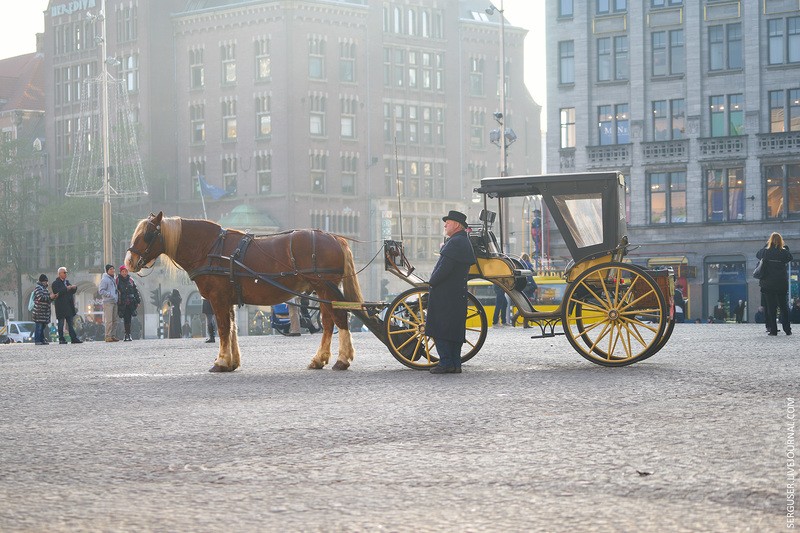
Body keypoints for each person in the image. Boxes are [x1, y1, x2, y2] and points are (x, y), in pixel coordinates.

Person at [425, 210, 476, 374]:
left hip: (445, 295)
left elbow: (443, 269)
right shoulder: (462, 241)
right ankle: (455, 363)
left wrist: (431, 282)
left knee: (441, 328)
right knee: (454, 329)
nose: (445, 225)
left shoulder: (454, 243)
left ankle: (446, 362)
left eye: (448, 222)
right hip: (456, 293)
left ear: (456, 225)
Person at [756, 232, 793, 336]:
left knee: (771, 308)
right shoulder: (784, 252)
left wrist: (767, 246)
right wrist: (784, 247)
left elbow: (757, 254)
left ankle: (773, 330)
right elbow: (790, 257)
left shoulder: (765, 252)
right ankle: (787, 329)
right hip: (781, 283)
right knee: (783, 307)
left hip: (767, 284)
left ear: (770, 240)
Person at [51, 266, 82, 344]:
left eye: (66, 273)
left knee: (70, 324)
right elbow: (57, 292)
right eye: (64, 272)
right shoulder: (55, 283)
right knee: (61, 324)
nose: (65, 274)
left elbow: (71, 291)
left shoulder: (67, 282)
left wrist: (74, 288)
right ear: (59, 274)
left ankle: (73, 338)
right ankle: (61, 339)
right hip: (61, 307)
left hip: (68, 307)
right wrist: (66, 288)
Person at [116, 265, 140, 341]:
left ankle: (128, 334)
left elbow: (135, 291)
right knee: (121, 318)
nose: (124, 273)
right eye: (123, 271)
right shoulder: (117, 280)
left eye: (126, 271)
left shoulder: (131, 280)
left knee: (128, 319)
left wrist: (138, 301)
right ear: (120, 272)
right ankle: (117, 334)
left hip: (130, 302)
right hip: (121, 302)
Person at [32, 274, 56, 345]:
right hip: (39, 312)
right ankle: (37, 340)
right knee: (38, 327)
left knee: (42, 328)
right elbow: (41, 298)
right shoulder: (38, 288)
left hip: (44, 313)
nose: (47, 283)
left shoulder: (45, 289)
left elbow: (47, 299)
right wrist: (50, 297)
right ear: (42, 281)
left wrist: (52, 297)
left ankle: (42, 340)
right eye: (46, 281)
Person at [98, 264, 120, 342]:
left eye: (113, 269)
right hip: (108, 302)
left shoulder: (113, 279)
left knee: (115, 320)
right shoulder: (104, 280)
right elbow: (101, 290)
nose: (113, 270)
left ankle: (113, 335)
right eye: (111, 269)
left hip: (114, 301)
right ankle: (107, 336)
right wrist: (109, 294)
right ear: (107, 271)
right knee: (109, 320)